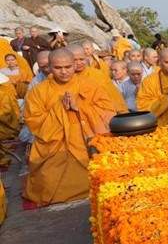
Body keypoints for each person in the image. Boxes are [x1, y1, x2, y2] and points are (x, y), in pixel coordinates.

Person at [23, 49, 116, 207]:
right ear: (49, 68)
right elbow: (34, 121)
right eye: (58, 68)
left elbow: (108, 113)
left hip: (84, 142)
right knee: (47, 183)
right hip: (54, 146)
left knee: (96, 177)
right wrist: (60, 109)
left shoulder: (90, 86)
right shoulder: (38, 92)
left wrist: (79, 107)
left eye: (68, 67)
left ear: (75, 65)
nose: (64, 72)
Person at [67, 44, 127, 114]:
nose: (79, 63)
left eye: (81, 59)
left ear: (86, 57)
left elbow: (115, 101)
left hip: (98, 117)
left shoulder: (98, 75)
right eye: (75, 60)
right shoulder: (59, 78)